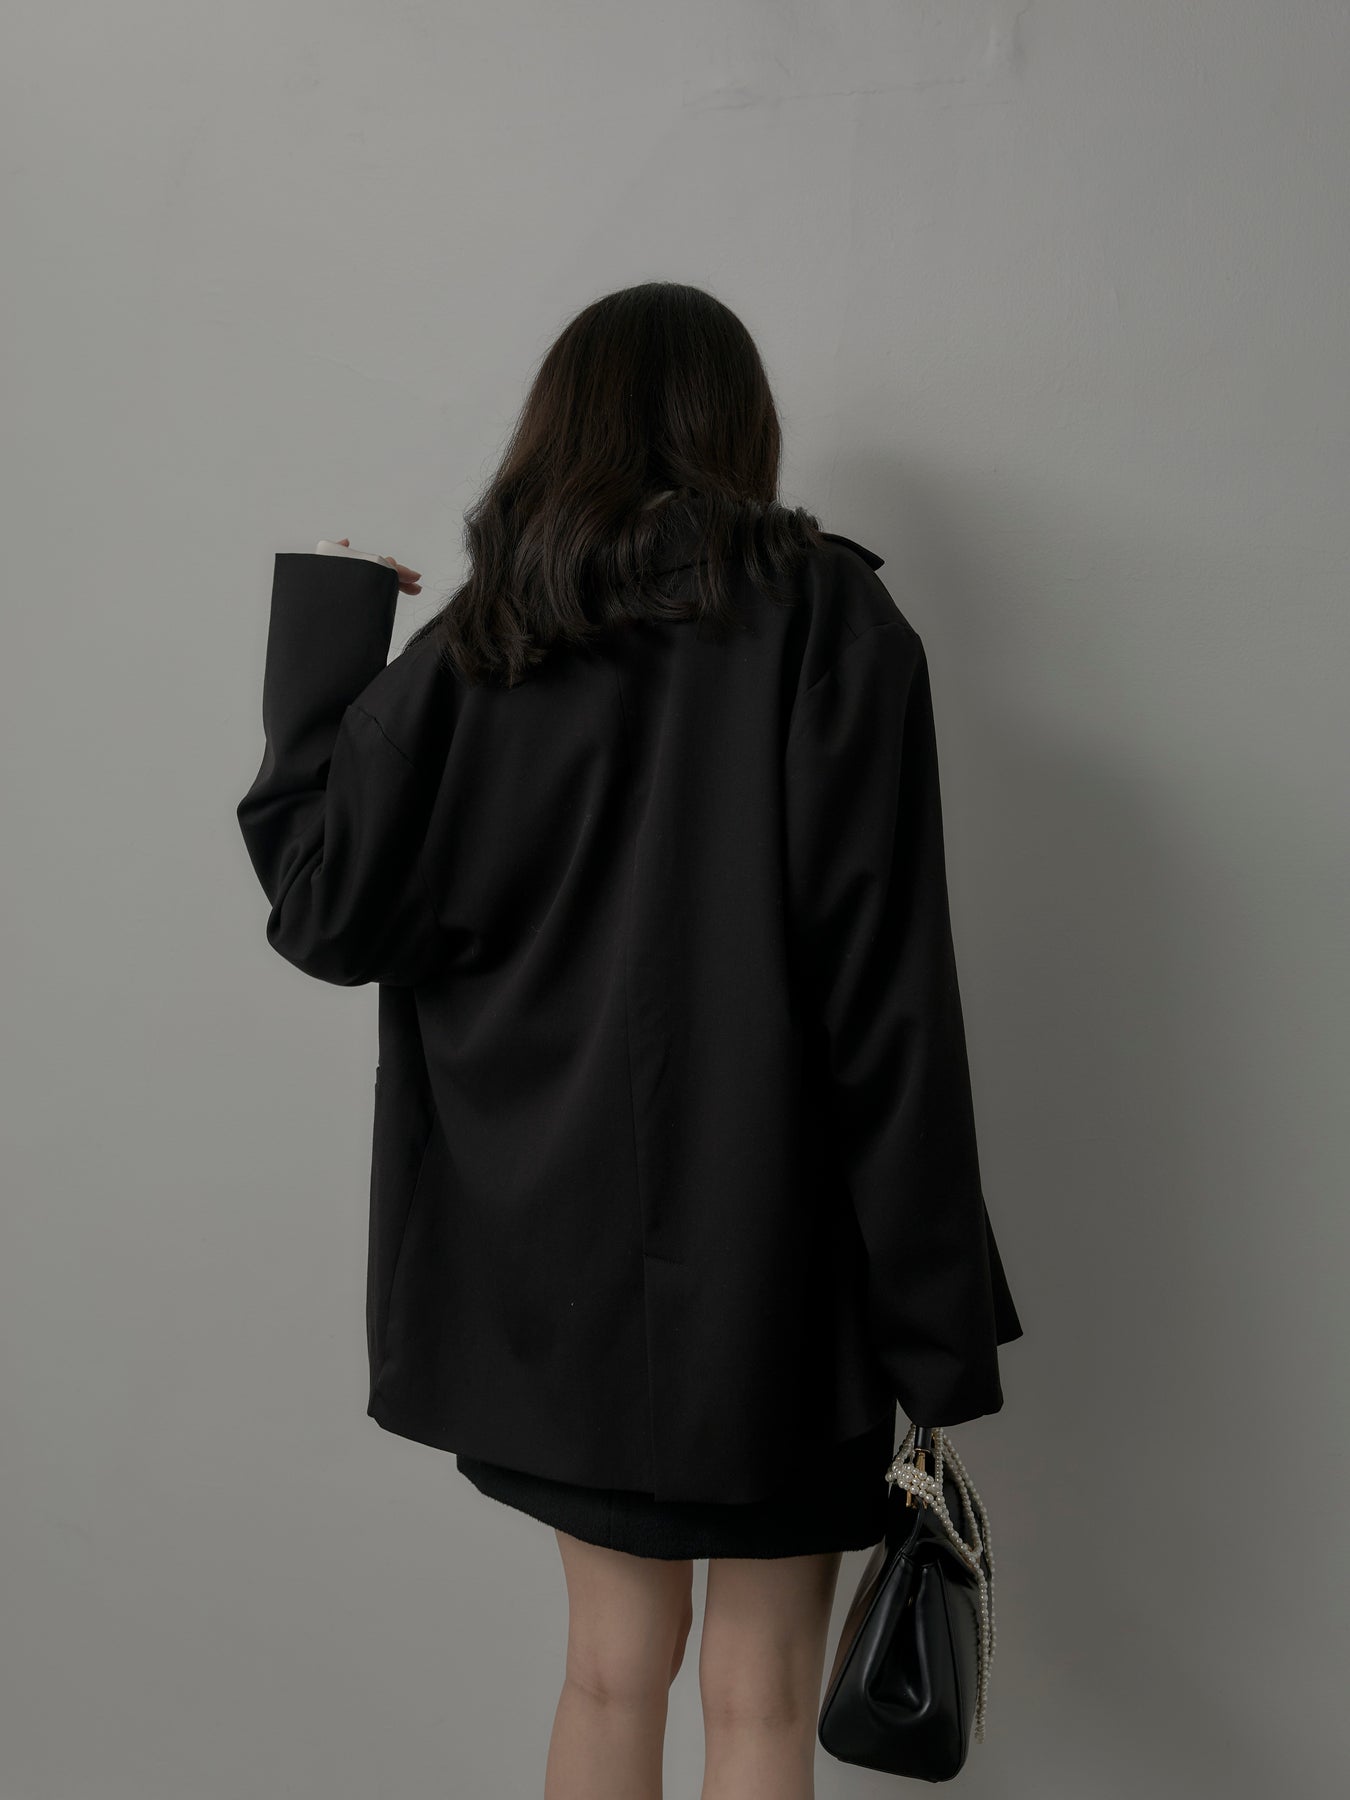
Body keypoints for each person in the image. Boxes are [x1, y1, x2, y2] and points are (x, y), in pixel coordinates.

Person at [236, 280, 1023, 1800]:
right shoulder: (830, 619)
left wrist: (330, 625)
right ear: (739, 422)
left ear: (563, 423)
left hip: (555, 1271)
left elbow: (326, 907)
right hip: (778, 1271)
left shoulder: (488, 642)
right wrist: (932, 1321)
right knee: (759, 1694)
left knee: (606, 1668)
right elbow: (889, 999)